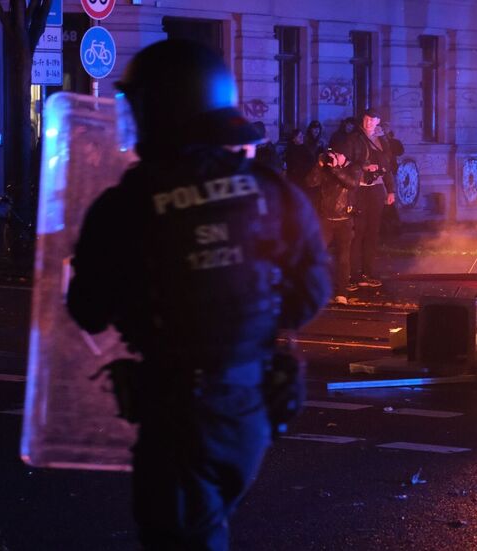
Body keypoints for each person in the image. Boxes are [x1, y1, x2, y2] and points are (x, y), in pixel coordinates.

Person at [65, 39, 331, 550]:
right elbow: (311, 293)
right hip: (253, 408)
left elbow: (88, 311)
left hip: (177, 413)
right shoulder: (271, 190)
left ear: (156, 110)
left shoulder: (127, 205)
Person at [306, 147, 360, 304]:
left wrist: (336, 168)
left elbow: (352, 184)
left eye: (337, 154)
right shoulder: (326, 169)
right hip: (325, 219)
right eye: (333, 154)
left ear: (344, 156)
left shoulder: (353, 168)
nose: (334, 157)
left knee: (343, 257)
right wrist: (319, 165)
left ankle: (342, 292)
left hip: (344, 220)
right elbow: (310, 182)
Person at [349, 108, 396, 288]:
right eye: (366, 119)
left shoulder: (381, 141)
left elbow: (387, 167)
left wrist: (390, 190)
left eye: (373, 120)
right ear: (363, 120)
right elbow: (346, 161)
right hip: (359, 189)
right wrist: (364, 167)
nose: (369, 122)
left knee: (372, 233)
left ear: (378, 122)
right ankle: (353, 275)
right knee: (358, 232)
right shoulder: (355, 138)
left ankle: (367, 273)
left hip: (376, 189)